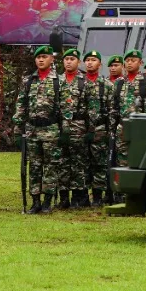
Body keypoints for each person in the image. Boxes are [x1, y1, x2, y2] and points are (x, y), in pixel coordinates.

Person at [13, 46, 65, 215]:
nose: (41, 60)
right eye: (38, 57)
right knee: (34, 166)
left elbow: (66, 108)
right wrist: (17, 129)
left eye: (44, 56)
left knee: (51, 166)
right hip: (32, 130)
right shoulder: (28, 81)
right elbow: (21, 106)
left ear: (52, 59)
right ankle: (35, 201)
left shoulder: (59, 81)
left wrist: (65, 131)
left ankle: (47, 201)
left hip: (51, 129)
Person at [80, 50, 113, 206]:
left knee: (99, 164)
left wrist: (109, 132)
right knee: (82, 163)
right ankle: (83, 196)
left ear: (100, 64)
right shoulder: (79, 83)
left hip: (100, 129)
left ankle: (98, 196)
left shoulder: (107, 85)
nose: (90, 63)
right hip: (81, 129)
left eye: (93, 60)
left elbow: (112, 110)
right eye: (87, 60)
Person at [59, 49, 90, 209]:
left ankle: (78, 197)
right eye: (66, 59)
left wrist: (90, 130)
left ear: (78, 62)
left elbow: (91, 108)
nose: (69, 62)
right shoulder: (57, 81)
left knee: (78, 162)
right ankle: (63, 197)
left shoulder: (84, 82)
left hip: (79, 127)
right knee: (62, 162)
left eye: (72, 59)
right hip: (60, 127)